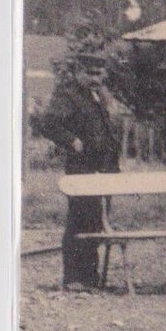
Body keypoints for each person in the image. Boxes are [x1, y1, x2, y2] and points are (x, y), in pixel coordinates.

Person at [34, 51, 123, 291]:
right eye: (90, 73)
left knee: (95, 222)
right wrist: (71, 140)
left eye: (99, 73)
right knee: (79, 221)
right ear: (78, 72)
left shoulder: (100, 96)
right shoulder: (68, 95)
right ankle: (74, 278)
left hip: (103, 168)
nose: (96, 78)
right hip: (81, 168)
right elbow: (48, 123)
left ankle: (90, 277)